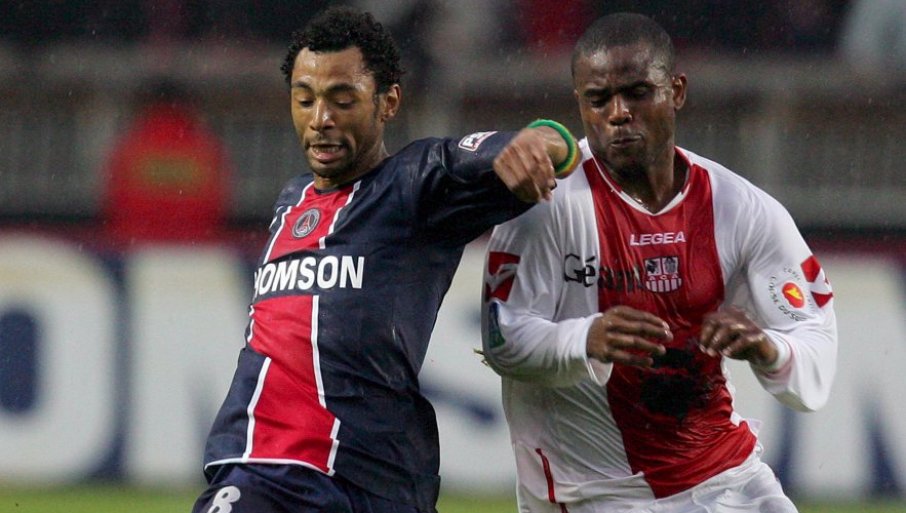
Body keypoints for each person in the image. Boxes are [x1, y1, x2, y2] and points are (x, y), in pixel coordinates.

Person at [191, 6, 579, 513]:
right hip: (265, 469)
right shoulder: (291, 200)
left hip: (375, 479)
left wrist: (541, 142)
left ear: (388, 102)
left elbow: (542, 147)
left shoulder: (413, 185)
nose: (320, 119)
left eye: (342, 100)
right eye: (304, 100)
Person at [480, 12, 837, 513]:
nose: (618, 113)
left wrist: (766, 346)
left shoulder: (742, 209)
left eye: (638, 93)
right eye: (598, 100)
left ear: (677, 91)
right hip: (595, 496)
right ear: (580, 105)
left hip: (726, 480)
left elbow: (815, 347)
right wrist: (586, 338)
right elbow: (501, 340)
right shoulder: (546, 205)